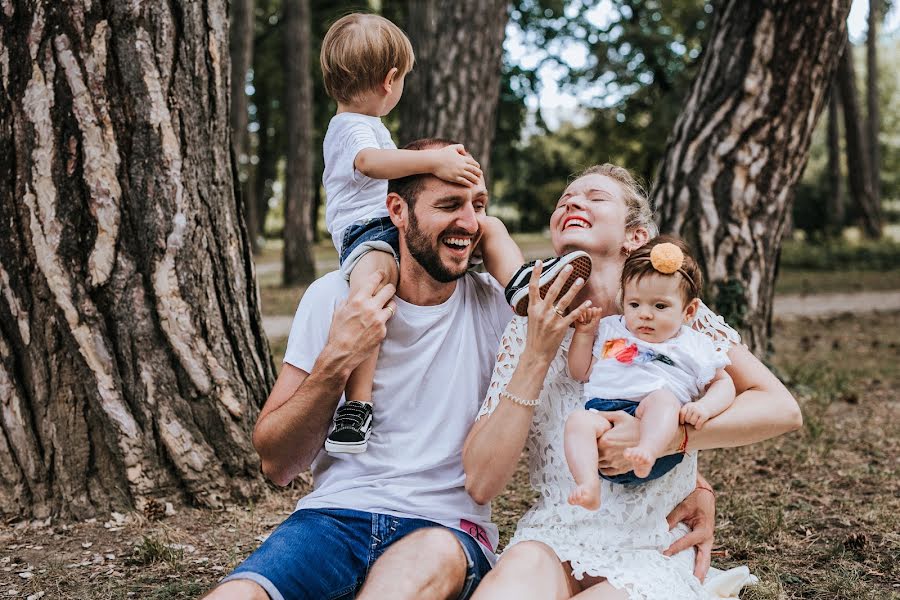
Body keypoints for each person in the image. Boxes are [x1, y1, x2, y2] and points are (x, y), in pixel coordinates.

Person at [207, 138, 569, 600]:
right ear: (397, 210)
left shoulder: (499, 309)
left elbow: (620, 372)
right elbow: (277, 462)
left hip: (444, 529)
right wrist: (338, 357)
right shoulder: (333, 297)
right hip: (331, 519)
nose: (470, 222)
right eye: (449, 205)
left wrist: (693, 483)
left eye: (478, 205)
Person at [463, 164, 803, 599]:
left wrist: (667, 438)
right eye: (564, 200)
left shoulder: (677, 321)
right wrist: (536, 354)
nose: (572, 202)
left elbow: (781, 408)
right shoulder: (526, 329)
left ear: (635, 236)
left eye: (595, 197)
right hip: (555, 536)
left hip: (653, 545)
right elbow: (479, 482)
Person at [318, 13, 590, 454]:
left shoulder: (369, 126)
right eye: (403, 79)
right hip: (365, 236)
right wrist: (433, 162)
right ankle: (358, 404)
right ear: (390, 81)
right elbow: (370, 165)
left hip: (399, 225)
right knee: (372, 293)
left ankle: (520, 282)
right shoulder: (348, 128)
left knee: (490, 227)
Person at [565, 236, 736, 510]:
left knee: (663, 400)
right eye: (635, 304)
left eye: (660, 306)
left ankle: (647, 450)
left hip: (659, 430)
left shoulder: (693, 343)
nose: (644, 315)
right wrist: (584, 334)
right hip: (604, 418)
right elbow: (580, 371)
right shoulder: (612, 329)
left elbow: (724, 383)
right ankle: (587, 484)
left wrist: (705, 406)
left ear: (689, 310)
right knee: (577, 421)